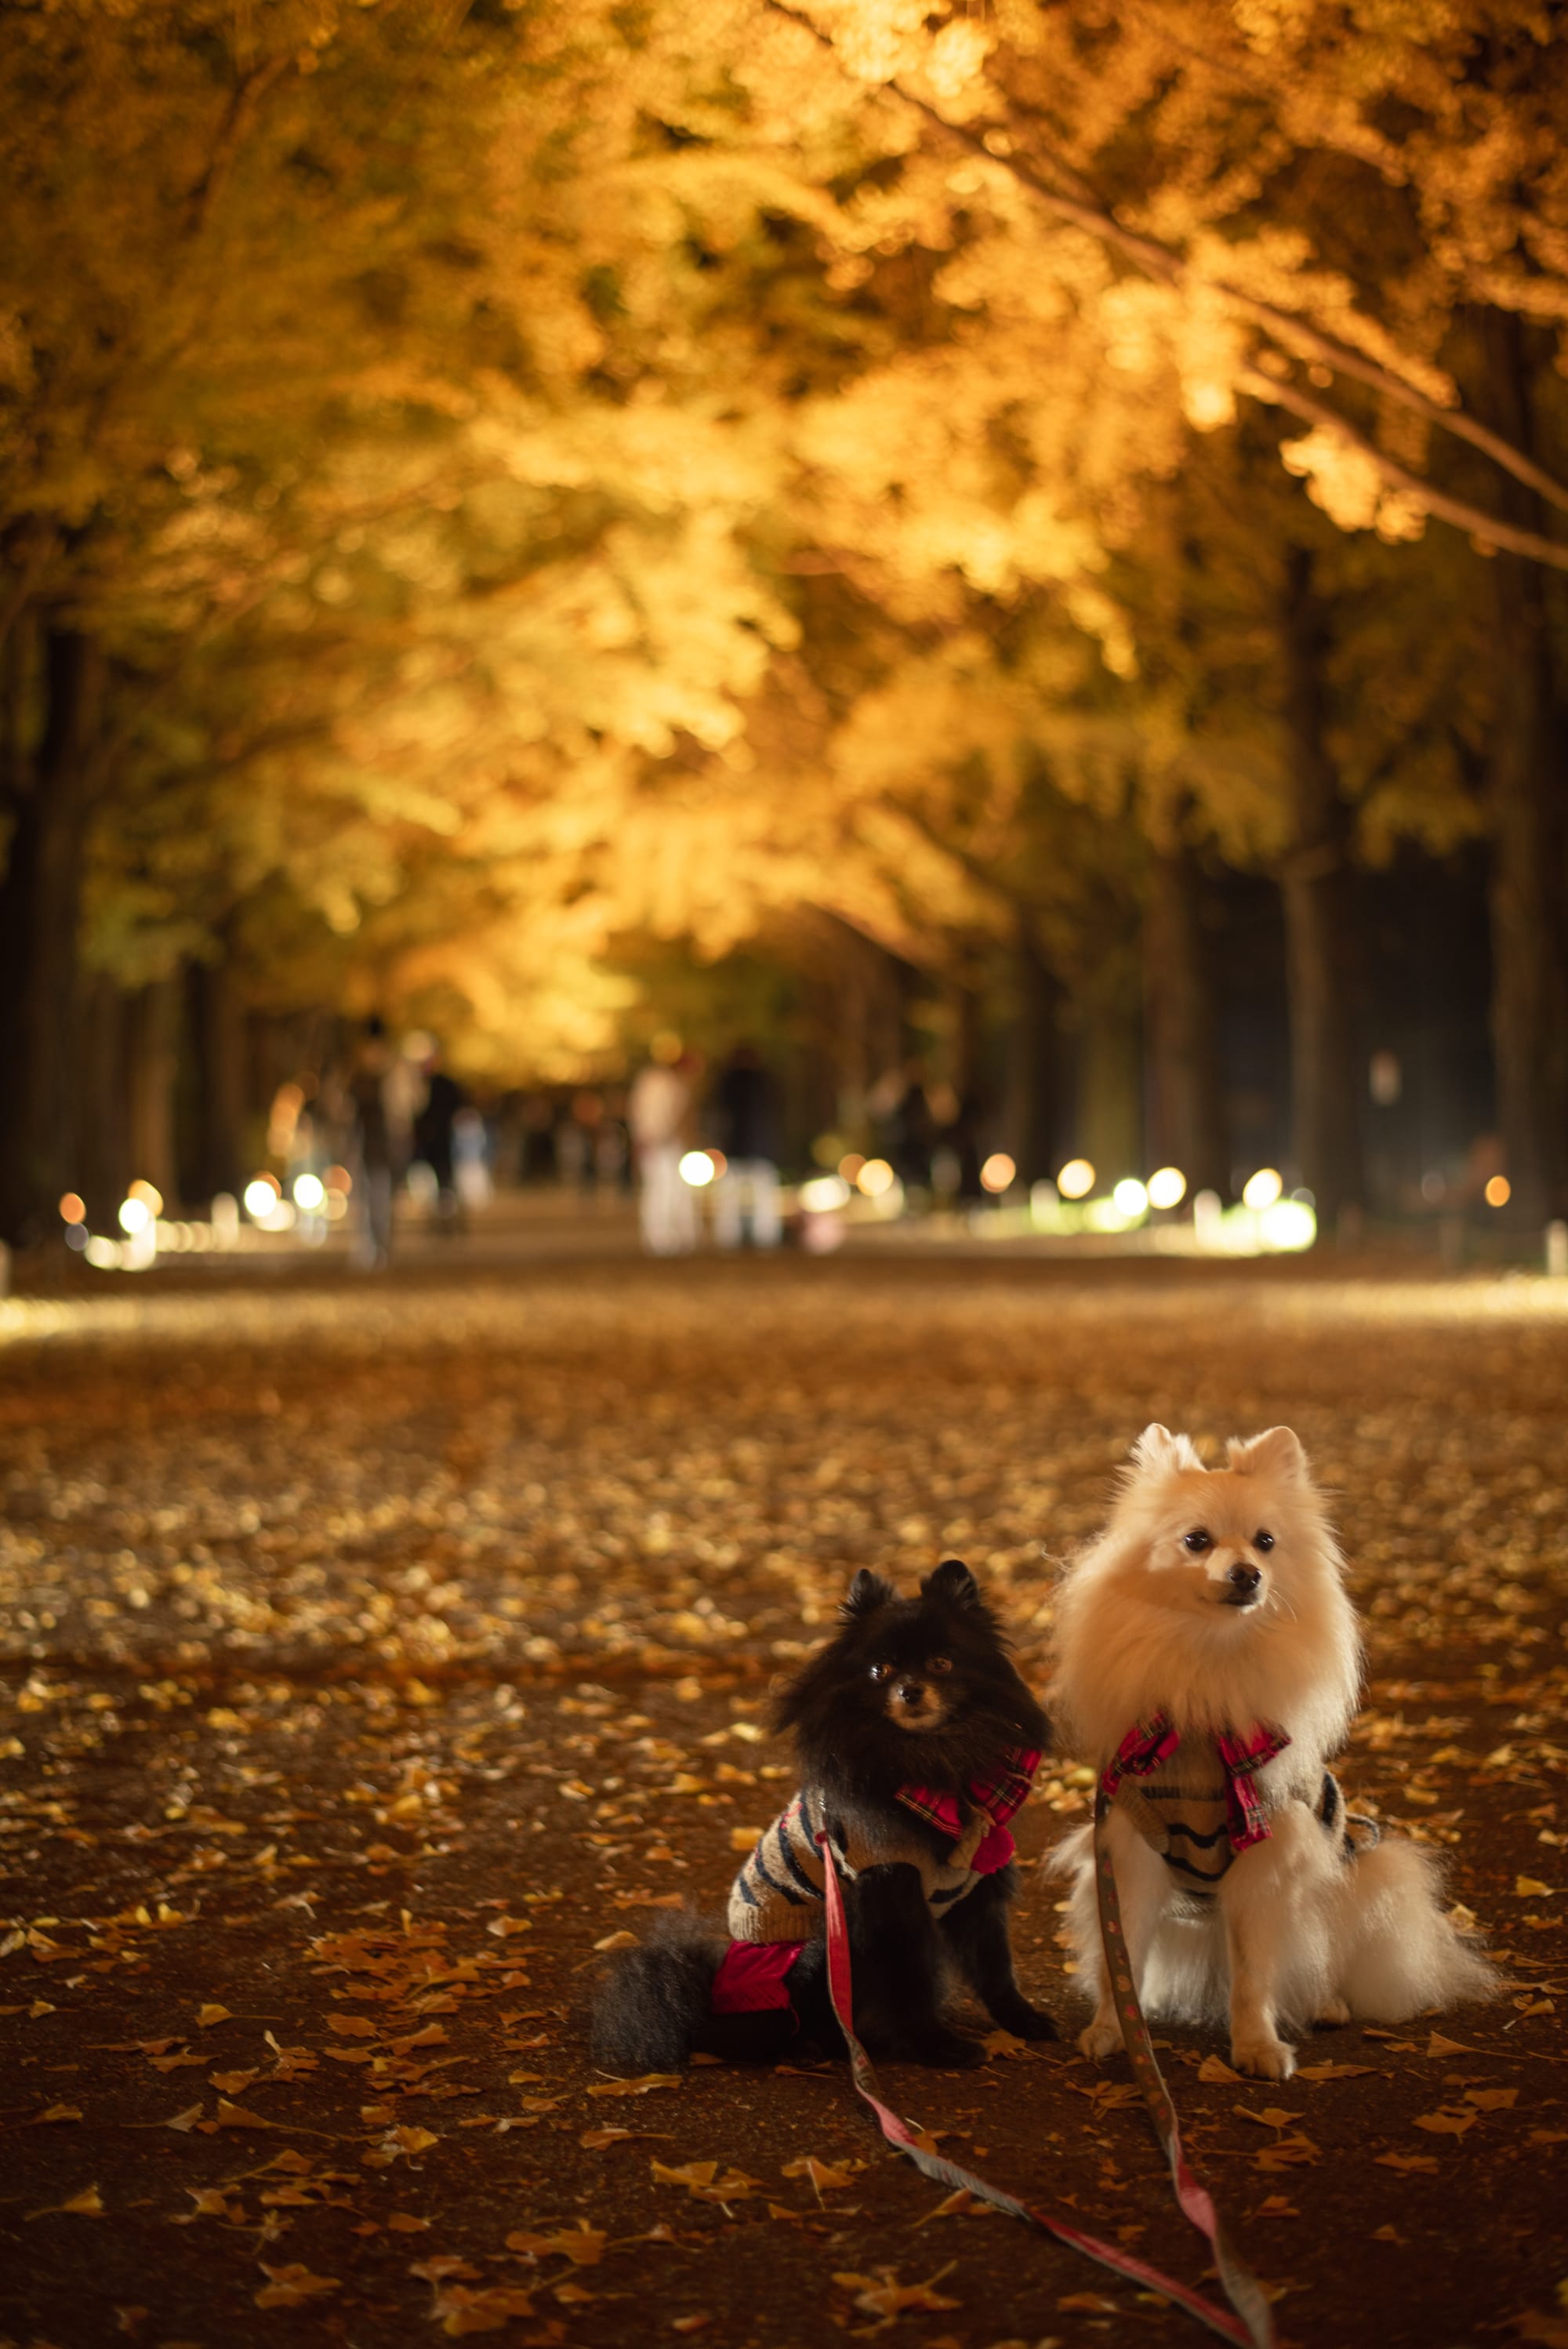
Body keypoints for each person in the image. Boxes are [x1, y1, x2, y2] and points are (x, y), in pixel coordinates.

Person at [629, 1040, 697, 1255]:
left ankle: (676, 1234)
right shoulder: (657, 1082)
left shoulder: (675, 1084)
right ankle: (658, 1237)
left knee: (676, 1188)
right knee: (659, 1189)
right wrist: (643, 1138)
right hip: (655, 1143)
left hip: (670, 1144)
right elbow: (644, 1112)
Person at [711, 1042, 782, 1250]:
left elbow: (719, 1116)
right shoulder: (765, 1080)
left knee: (732, 1194)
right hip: (760, 1147)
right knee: (761, 1194)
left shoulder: (728, 1081)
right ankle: (765, 1235)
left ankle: (730, 1235)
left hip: (736, 1146)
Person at [348, 1019, 395, 1269]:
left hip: (367, 1138)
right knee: (380, 1191)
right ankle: (379, 1243)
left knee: (368, 1192)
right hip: (379, 1139)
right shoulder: (392, 1067)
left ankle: (371, 1243)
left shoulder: (358, 1068)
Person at [413, 1045, 466, 1231]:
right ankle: (441, 1217)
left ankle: (448, 1217)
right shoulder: (421, 1084)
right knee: (436, 1182)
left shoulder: (441, 1085)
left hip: (442, 1142)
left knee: (446, 1181)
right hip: (432, 1144)